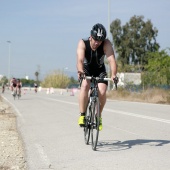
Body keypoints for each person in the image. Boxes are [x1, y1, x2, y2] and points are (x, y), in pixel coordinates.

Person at [76, 23, 117, 131]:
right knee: (85, 85)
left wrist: (113, 74)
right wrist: (80, 71)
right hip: (86, 69)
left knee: (102, 91)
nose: (97, 43)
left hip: (100, 70)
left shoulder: (106, 43)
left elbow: (112, 60)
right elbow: (80, 60)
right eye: (95, 40)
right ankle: (82, 115)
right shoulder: (83, 42)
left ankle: (98, 116)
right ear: (91, 37)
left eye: (100, 40)